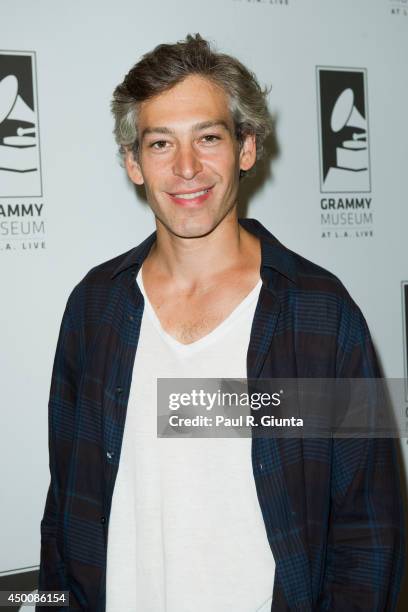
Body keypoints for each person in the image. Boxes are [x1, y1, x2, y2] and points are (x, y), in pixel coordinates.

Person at [37, 34, 404, 611]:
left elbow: (368, 528)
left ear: (247, 147)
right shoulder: (93, 309)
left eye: (208, 137)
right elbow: (65, 509)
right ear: (133, 162)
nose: (187, 168)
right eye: (161, 143)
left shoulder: (321, 314)